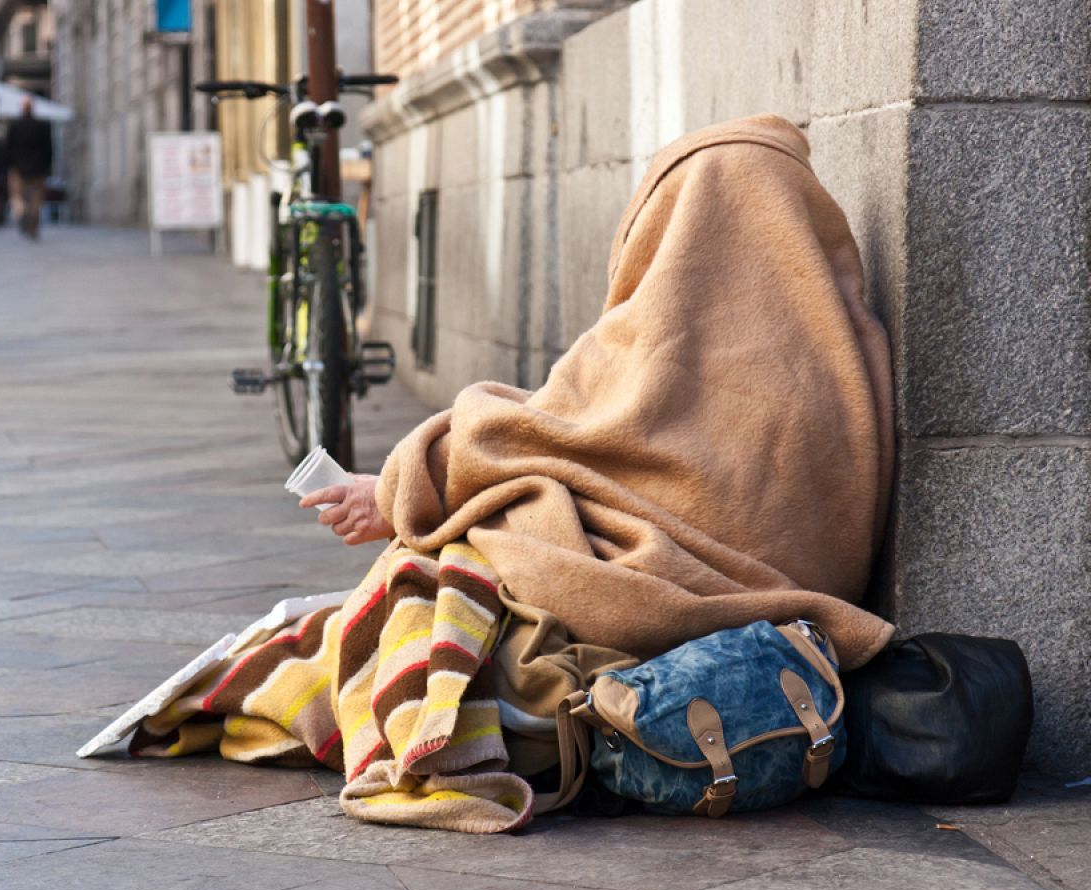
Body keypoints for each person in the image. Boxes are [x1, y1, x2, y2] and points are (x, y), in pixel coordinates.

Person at [117, 115, 899, 833]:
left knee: (441, 566)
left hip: (655, 594)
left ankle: (416, 713)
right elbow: (609, 450)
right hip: (777, 612)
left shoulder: (655, 331)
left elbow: (531, 434)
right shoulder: (847, 356)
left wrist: (397, 488)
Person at [4, 97, 52, 240]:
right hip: (37, 169)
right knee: (36, 199)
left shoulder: (14, 126)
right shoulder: (42, 126)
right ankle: (31, 221)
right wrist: (46, 166)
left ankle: (23, 216)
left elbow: (8, 149)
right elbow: (49, 149)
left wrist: (9, 165)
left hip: (18, 168)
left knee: (17, 197)